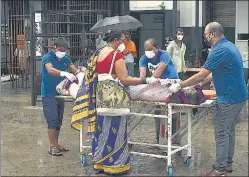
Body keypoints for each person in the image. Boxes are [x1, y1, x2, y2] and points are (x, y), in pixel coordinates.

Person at [168, 22, 248, 176]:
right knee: (229, 130)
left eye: (206, 34)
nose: (205, 37)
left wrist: (180, 85)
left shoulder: (219, 50)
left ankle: (219, 169)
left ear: (212, 33)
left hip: (229, 98)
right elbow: (213, 73)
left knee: (221, 132)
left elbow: (202, 73)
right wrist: (200, 83)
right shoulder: (229, 46)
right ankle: (227, 163)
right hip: (239, 96)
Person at [83, 30, 158, 175]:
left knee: (102, 128)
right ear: (116, 40)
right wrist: (146, 80)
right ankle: (115, 165)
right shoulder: (116, 55)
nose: (124, 44)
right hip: (114, 98)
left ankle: (100, 162)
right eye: (122, 41)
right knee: (116, 129)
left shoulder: (98, 53)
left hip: (101, 95)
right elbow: (124, 79)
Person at [139, 38, 180, 145]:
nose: (148, 52)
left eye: (150, 49)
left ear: (156, 48)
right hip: (157, 88)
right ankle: (159, 140)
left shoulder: (164, 55)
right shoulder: (143, 59)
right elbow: (142, 76)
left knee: (174, 113)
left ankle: (175, 139)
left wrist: (150, 80)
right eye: (146, 49)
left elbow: (159, 70)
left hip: (172, 85)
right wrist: (143, 85)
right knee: (158, 112)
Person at [41, 38, 78, 156]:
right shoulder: (47, 58)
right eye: (60, 50)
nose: (62, 52)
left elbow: (74, 69)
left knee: (58, 121)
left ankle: (57, 144)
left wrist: (80, 72)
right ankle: (52, 146)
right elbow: (50, 70)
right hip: (48, 94)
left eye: (64, 50)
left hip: (60, 94)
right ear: (54, 48)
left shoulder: (65, 59)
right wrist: (64, 73)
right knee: (52, 120)